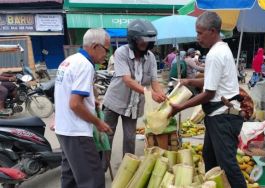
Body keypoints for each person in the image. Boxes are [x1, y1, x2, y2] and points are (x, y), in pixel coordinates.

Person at [168, 11, 247, 188]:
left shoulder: (215, 54)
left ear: (212, 31)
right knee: (209, 158)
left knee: (228, 165)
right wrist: (189, 81)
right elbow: (211, 81)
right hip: (218, 116)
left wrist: (180, 107)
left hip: (223, 116)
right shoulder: (222, 49)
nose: (197, 38)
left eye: (200, 33)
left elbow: (209, 93)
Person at [54, 28, 112, 188]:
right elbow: (74, 104)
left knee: (70, 177)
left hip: (64, 129)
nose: (106, 54)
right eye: (106, 49)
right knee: (93, 179)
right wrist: (98, 122)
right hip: (76, 131)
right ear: (95, 46)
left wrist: (91, 99)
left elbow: (65, 93)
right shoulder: (85, 65)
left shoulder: (69, 60)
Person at [102, 19, 166, 163]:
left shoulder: (151, 59)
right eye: (141, 40)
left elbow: (154, 81)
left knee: (130, 138)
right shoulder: (121, 52)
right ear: (133, 39)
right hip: (114, 102)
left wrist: (161, 94)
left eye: (148, 40)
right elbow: (127, 80)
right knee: (107, 137)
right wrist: (149, 93)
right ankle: (101, 168)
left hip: (134, 106)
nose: (145, 43)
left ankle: (127, 167)